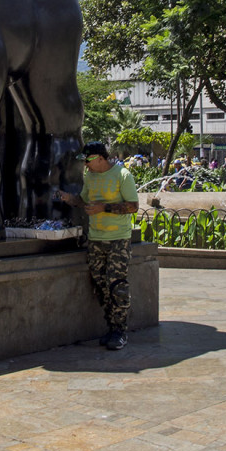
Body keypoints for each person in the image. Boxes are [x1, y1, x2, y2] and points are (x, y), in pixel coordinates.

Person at [56, 142, 138, 351]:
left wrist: (105, 207)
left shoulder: (123, 175)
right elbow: (85, 202)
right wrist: (70, 200)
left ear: (101, 158)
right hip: (96, 239)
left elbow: (133, 206)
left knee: (117, 285)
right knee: (101, 284)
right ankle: (111, 326)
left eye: (88, 160)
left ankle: (120, 330)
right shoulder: (90, 177)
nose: (85, 165)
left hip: (118, 239)